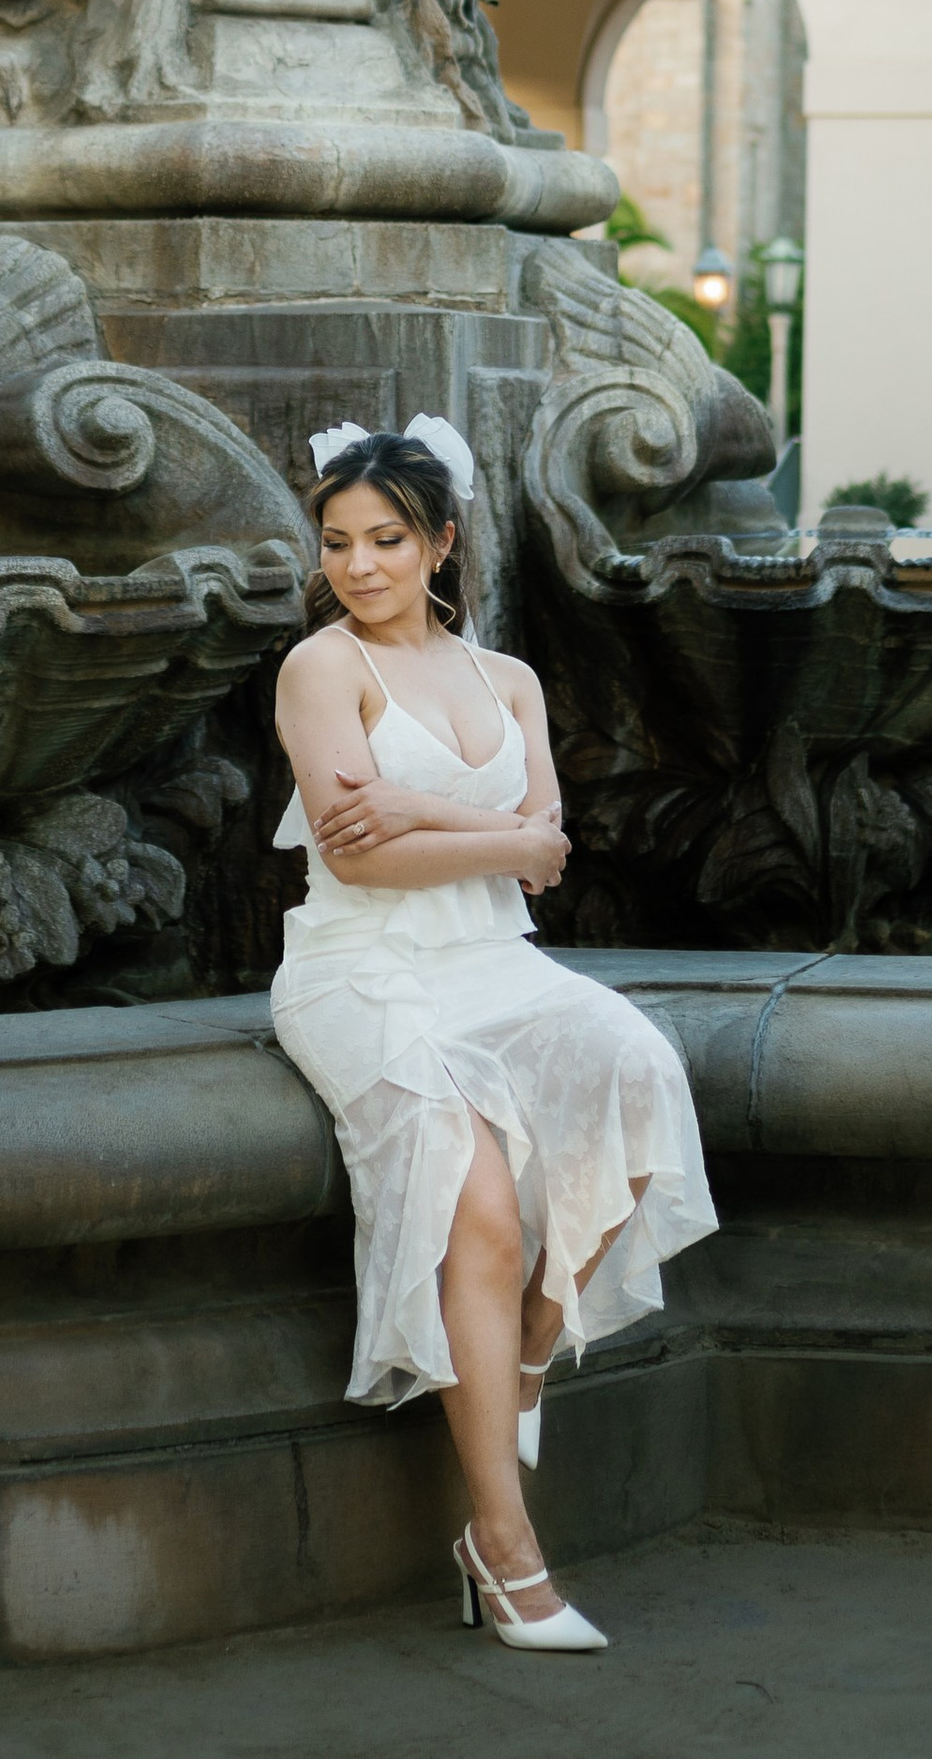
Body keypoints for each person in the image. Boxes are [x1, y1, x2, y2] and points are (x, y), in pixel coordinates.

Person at [269, 418, 717, 1656]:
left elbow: (547, 850)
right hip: (360, 973)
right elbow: (365, 851)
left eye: (386, 540)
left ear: (441, 543)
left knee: (643, 1074)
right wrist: (500, 837)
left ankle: (521, 1357)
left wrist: (426, 808)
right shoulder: (320, 669)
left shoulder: (505, 677)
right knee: (481, 1209)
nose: (357, 566)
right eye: (338, 542)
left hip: (491, 962)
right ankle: (503, 1548)